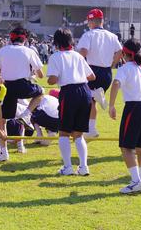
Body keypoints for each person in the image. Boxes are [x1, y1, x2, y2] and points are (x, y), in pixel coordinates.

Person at [108, 38, 141, 194]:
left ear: (124, 52)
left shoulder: (126, 68)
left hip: (134, 108)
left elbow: (116, 83)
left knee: (126, 147)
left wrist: (111, 105)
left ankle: (136, 182)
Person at [47, 28, 96, 176]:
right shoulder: (78, 56)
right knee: (78, 134)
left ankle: (67, 167)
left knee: (63, 132)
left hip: (69, 93)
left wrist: (54, 78)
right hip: (85, 91)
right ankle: (83, 167)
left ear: (56, 42)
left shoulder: (56, 57)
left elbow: (53, 80)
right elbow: (92, 76)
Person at [0, 26, 44, 161]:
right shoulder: (29, 51)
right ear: (25, 39)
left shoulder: (3, 50)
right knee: (40, 92)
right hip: (22, 84)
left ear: (11, 38)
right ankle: (26, 114)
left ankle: (3, 151)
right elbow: (41, 74)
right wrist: (32, 73)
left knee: (2, 120)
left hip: (6, 86)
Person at [76, 8, 122, 137]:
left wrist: (76, 62)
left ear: (91, 21)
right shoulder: (112, 36)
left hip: (92, 71)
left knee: (86, 100)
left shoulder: (88, 35)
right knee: (92, 101)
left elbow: (83, 52)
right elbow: (120, 51)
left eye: (88, 21)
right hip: (107, 72)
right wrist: (112, 64)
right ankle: (91, 129)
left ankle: (90, 128)